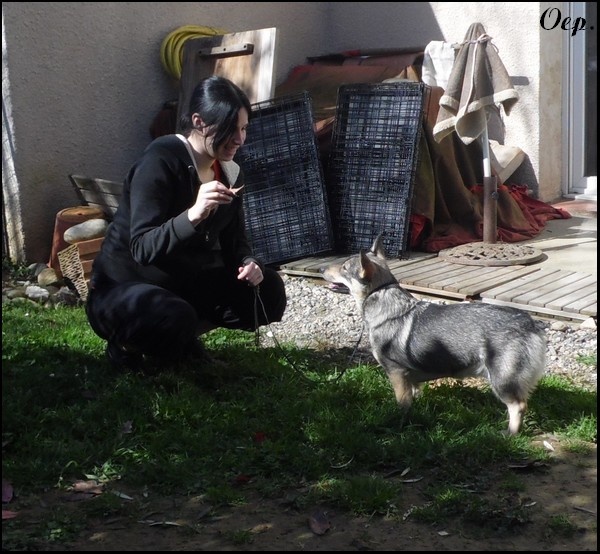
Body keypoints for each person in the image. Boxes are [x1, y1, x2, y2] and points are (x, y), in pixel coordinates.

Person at [86, 75, 287, 370]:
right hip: (123, 291)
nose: (239, 139)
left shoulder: (230, 172)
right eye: (231, 128)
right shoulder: (160, 161)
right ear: (199, 122)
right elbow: (141, 248)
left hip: (181, 286)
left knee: (268, 291)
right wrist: (193, 214)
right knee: (172, 315)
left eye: (244, 129)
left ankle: (182, 338)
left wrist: (248, 262)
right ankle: (127, 345)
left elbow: (236, 240)